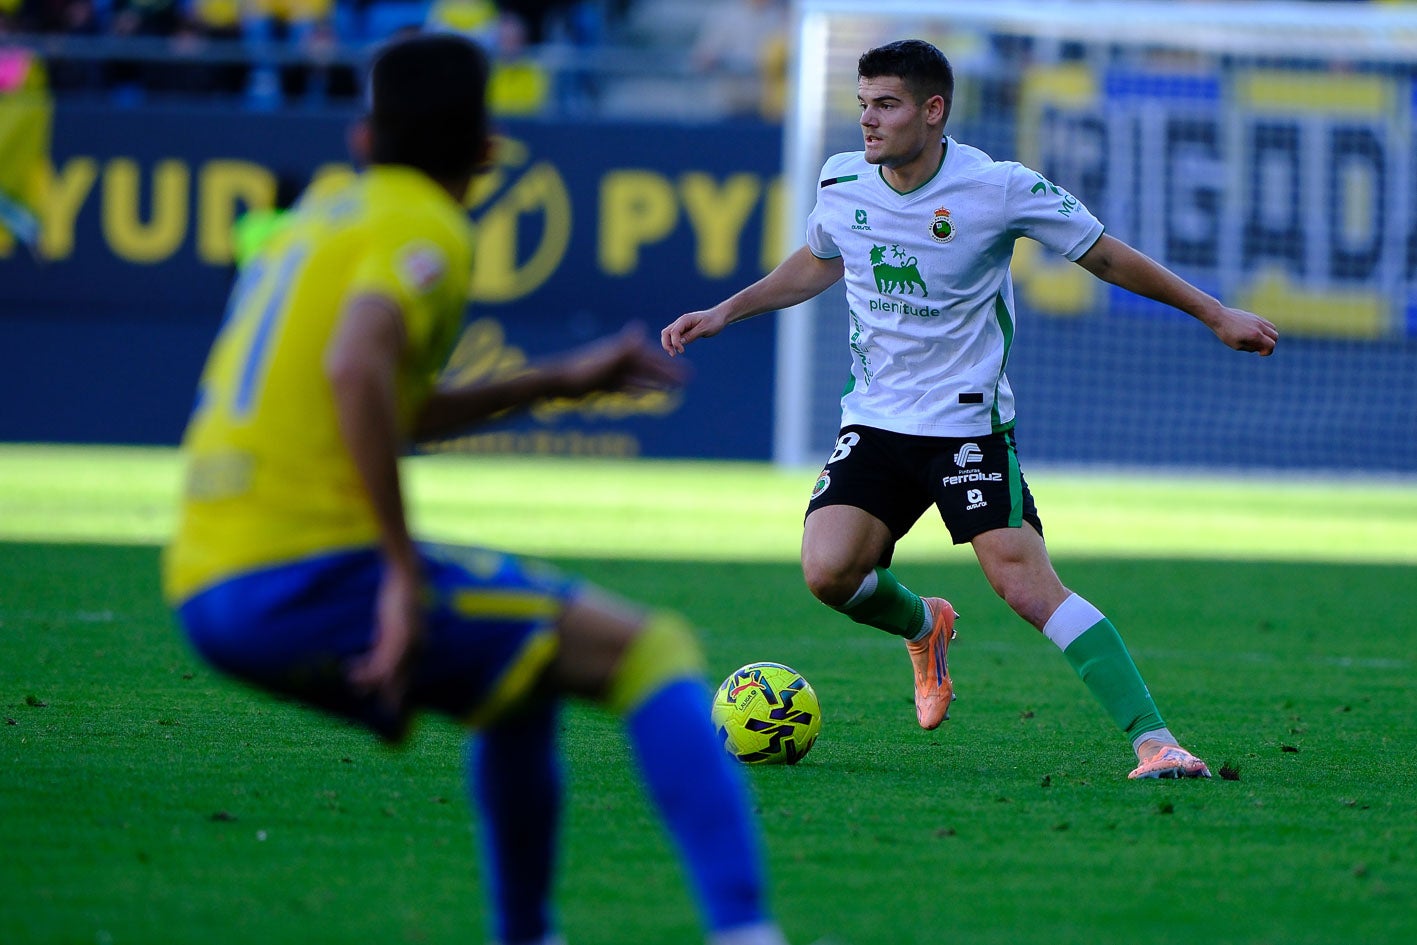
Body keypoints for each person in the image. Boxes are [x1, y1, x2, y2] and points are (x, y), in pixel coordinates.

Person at [163, 32, 788, 945]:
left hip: (206, 574)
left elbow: (391, 405)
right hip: (303, 569)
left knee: (520, 683)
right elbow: (355, 365)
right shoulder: (426, 225)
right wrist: (397, 573)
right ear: (488, 153)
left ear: (359, 139)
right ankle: (745, 932)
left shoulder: (326, 212)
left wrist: (556, 380)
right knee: (651, 650)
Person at [661, 39, 1279, 781]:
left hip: (964, 425)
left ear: (933, 109)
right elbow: (822, 258)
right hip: (876, 418)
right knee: (827, 573)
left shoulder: (997, 187)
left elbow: (1103, 254)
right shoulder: (843, 179)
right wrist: (726, 310)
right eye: (861, 105)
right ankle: (925, 625)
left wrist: (1213, 313)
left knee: (1022, 584)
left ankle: (1156, 739)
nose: (868, 121)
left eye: (885, 105)